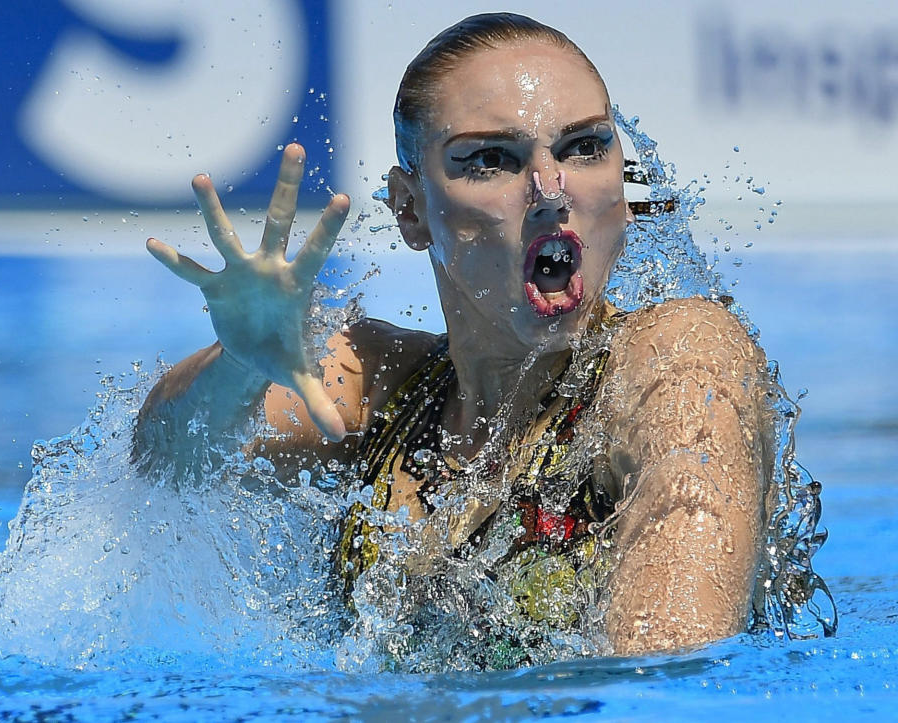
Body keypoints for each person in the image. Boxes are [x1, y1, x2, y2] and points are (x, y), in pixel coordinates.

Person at [133, 13, 771, 658]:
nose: (551, 190)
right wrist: (240, 366)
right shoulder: (379, 385)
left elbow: (675, 657)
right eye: (492, 159)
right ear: (410, 209)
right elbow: (162, 465)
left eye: (583, 147)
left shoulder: (682, 360)